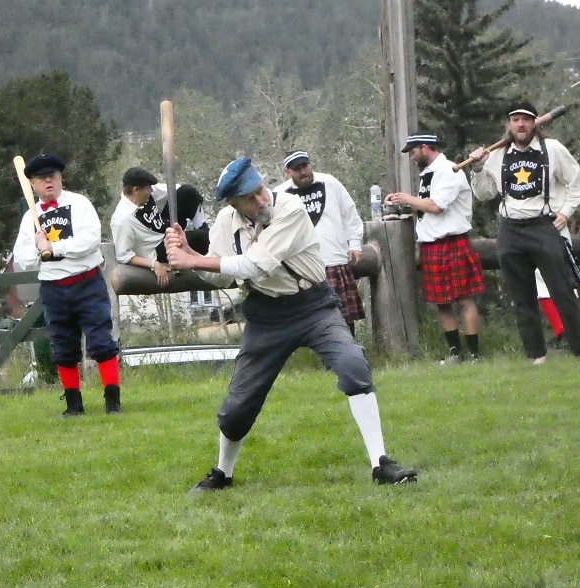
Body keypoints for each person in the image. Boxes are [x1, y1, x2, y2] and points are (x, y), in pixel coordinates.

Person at [164, 157, 417, 491]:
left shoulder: (290, 209)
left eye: (260, 191)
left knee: (352, 363)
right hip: (265, 317)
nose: (261, 200)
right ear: (233, 203)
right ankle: (223, 473)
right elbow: (221, 277)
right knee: (237, 407)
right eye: (250, 199)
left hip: (314, 306)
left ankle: (381, 464)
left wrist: (194, 258)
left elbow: (257, 263)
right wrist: (186, 254)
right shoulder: (226, 221)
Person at [468, 101, 580, 364]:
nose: (520, 124)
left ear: (534, 123)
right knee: (522, 296)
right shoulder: (498, 154)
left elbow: (577, 185)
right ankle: (536, 354)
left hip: (544, 227)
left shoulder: (552, 150)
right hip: (510, 231)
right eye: (515, 119)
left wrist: (565, 212)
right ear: (509, 124)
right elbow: (484, 193)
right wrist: (477, 168)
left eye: (526, 120)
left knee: (562, 290)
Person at [13, 153, 122, 415]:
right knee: (62, 345)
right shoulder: (30, 218)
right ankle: (74, 405)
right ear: (33, 185)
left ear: (61, 178)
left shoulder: (80, 204)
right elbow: (22, 260)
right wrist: (39, 250)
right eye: (41, 178)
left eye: (53, 176)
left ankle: (112, 402)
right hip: (53, 288)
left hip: (87, 283)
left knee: (100, 341)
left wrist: (56, 246)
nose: (48, 181)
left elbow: (91, 240)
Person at [385, 131, 485, 363]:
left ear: (424, 147)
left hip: (452, 243)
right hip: (431, 246)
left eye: (413, 152)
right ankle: (455, 354)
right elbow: (424, 208)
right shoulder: (428, 174)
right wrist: (402, 205)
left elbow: (437, 206)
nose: (411, 157)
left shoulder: (450, 170)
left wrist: (406, 199)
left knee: (464, 300)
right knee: (442, 303)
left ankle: (474, 355)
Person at [273, 150, 365, 336]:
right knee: (316, 319)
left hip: (334, 259)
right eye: (297, 169)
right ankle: (328, 361)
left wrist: (355, 243)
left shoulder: (329, 182)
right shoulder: (279, 194)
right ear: (287, 172)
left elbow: (349, 213)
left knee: (344, 317)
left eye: (305, 166)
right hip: (303, 266)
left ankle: (349, 359)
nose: (303, 172)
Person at [110, 167, 209, 288]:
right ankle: (209, 243)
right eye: (148, 188)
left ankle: (205, 231)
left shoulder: (144, 193)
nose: (151, 190)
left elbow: (175, 190)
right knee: (198, 238)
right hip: (156, 250)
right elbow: (123, 256)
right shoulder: (122, 219)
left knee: (186, 191)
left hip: (164, 228)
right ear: (136, 190)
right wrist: (154, 264)